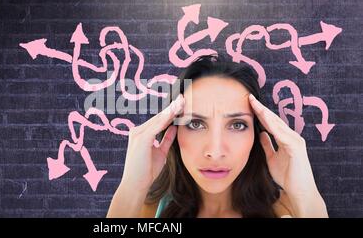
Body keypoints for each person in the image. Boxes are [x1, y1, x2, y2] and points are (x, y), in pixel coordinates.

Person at [107, 54, 328, 218]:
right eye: (195, 123)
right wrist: (131, 188)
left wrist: (305, 195)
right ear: (172, 131)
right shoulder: (142, 212)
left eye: (237, 125)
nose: (215, 151)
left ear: (258, 135)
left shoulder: (288, 211)